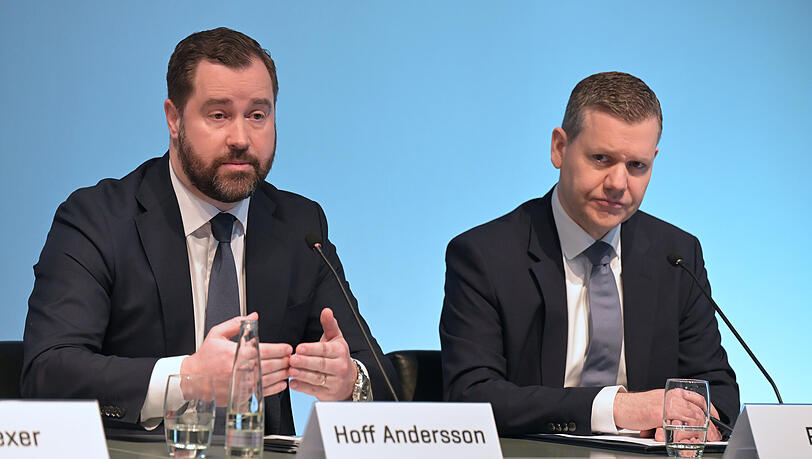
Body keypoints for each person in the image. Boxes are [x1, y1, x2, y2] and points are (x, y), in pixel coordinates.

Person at [22, 27, 396, 434]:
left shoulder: (300, 227)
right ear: (174, 118)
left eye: (258, 115)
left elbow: (383, 378)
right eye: (218, 115)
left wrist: (348, 381)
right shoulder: (99, 219)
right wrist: (188, 377)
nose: (240, 138)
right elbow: (48, 372)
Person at [440, 72, 739, 439]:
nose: (617, 183)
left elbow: (717, 389)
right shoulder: (484, 255)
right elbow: (472, 396)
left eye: (636, 166)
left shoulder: (676, 255)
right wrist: (616, 408)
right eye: (601, 158)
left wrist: (699, 423)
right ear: (559, 148)